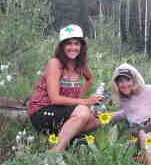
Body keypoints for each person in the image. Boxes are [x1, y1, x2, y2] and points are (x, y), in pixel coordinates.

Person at [27, 24, 102, 154]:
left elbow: (90, 79)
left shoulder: (80, 65)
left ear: (81, 46)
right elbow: (55, 99)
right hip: (42, 111)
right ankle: (54, 154)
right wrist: (84, 102)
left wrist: (79, 99)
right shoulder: (55, 63)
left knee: (97, 120)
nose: (73, 48)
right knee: (84, 112)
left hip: (62, 112)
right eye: (68, 44)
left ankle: (63, 139)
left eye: (76, 44)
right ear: (62, 46)